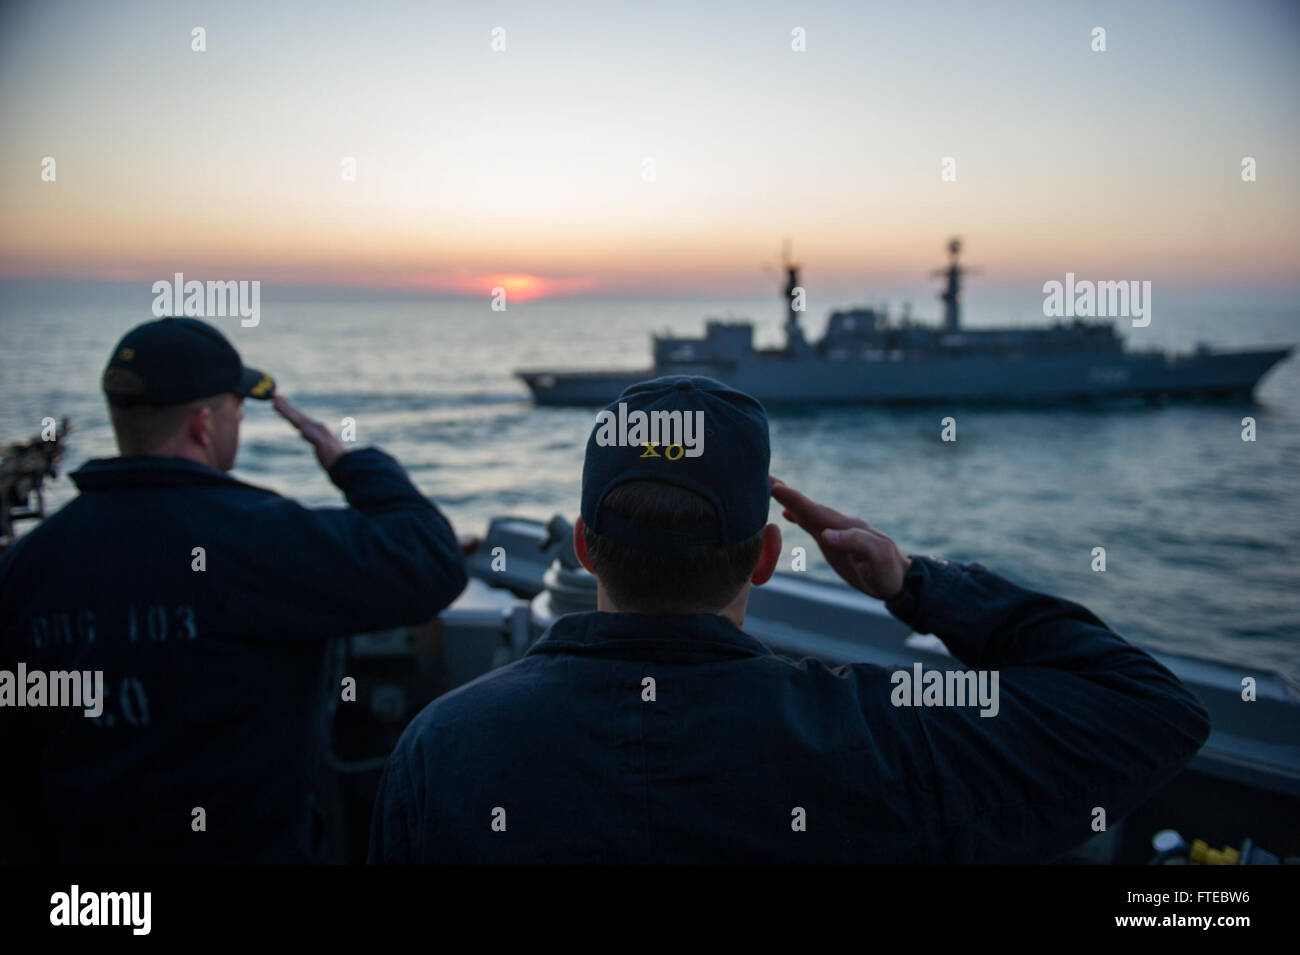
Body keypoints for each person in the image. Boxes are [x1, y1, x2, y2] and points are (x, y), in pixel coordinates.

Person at [369, 374, 1211, 864]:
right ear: (768, 555)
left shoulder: (442, 747)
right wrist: (915, 583)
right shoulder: (884, 737)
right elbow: (1157, 711)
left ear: (585, 546)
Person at [0, 317, 468, 863]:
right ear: (204, 423)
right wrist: (353, 464)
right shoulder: (264, 539)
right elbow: (432, 559)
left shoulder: (26, 566)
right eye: (237, 411)